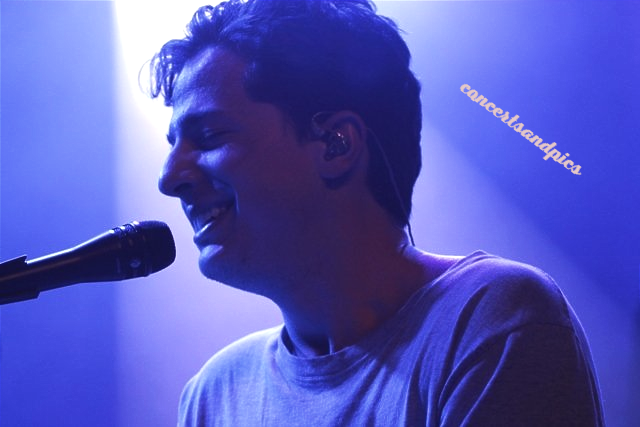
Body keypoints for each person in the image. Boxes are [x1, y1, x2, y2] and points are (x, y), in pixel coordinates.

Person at [149, 0, 605, 425]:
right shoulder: (214, 392)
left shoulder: (491, 319)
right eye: (173, 146)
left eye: (209, 136)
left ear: (337, 144)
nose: (169, 178)